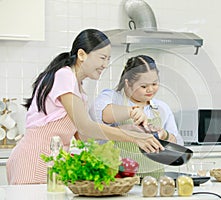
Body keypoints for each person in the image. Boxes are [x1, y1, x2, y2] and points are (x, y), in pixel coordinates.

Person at [6, 29, 163, 185]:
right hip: (34, 160)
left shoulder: (79, 89)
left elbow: (84, 136)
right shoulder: (64, 75)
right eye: (102, 58)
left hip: (54, 163)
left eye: (108, 59)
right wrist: (135, 139)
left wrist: (130, 129)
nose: (105, 65)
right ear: (82, 55)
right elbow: (85, 126)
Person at [90, 55, 184, 179]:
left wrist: (164, 135)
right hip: (118, 182)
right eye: (144, 86)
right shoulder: (112, 98)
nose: (150, 89)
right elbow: (101, 114)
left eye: (155, 83)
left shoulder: (161, 108)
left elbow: (178, 144)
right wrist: (132, 111)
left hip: (154, 181)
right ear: (128, 83)